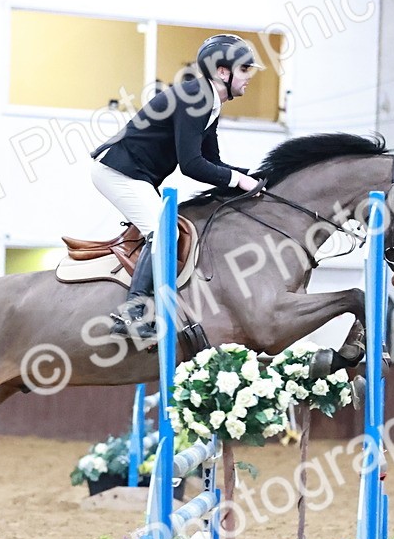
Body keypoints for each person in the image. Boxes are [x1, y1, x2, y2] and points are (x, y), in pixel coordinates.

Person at [90, 33, 264, 340]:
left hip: (135, 173)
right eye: (244, 69)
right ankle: (131, 313)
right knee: (164, 232)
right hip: (118, 172)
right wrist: (239, 180)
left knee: (167, 229)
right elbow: (192, 165)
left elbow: (213, 162)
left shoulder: (209, 101)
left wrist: (255, 176)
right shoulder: (197, 97)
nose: (249, 77)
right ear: (222, 71)